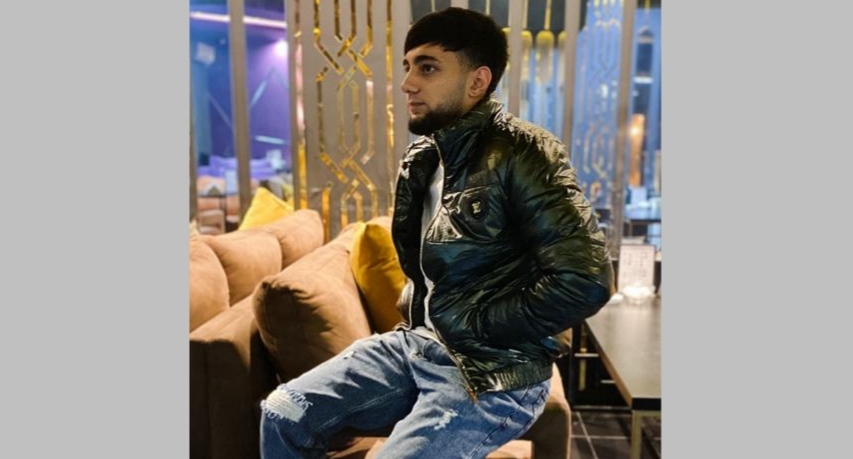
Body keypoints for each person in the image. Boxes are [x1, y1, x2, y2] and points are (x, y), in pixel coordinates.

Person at [260, 7, 614, 458]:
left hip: (494, 371)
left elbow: (586, 280)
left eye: (427, 68)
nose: (407, 83)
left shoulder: (526, 151)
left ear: (477, 81)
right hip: (417, 346)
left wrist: (475, 324)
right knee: (284, 411)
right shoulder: (423, 157)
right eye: (408, 67)